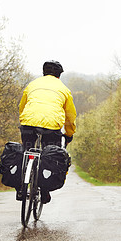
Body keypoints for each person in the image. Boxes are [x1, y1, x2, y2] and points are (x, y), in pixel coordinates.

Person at [18, 60, 76, 203]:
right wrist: (69, 134)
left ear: (44, 72)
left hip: (28, 122)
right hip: (51, 126)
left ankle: (21, 187)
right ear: (59, 75)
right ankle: (44, 191)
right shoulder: (64, 90)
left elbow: (22, 106)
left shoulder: (32, 85)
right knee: (49, 155)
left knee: (26, 151)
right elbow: (70, 116)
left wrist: (25, 122)